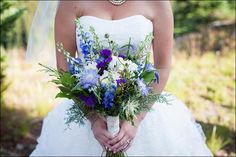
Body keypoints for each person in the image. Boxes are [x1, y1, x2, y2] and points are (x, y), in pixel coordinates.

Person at [29, 1, 213, 156]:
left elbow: (162, 67)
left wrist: (135, 119)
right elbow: (65, 69)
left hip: (142, 108)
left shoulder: (158, 3)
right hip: (86, 109)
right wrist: (93, 119)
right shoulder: (70, 3)